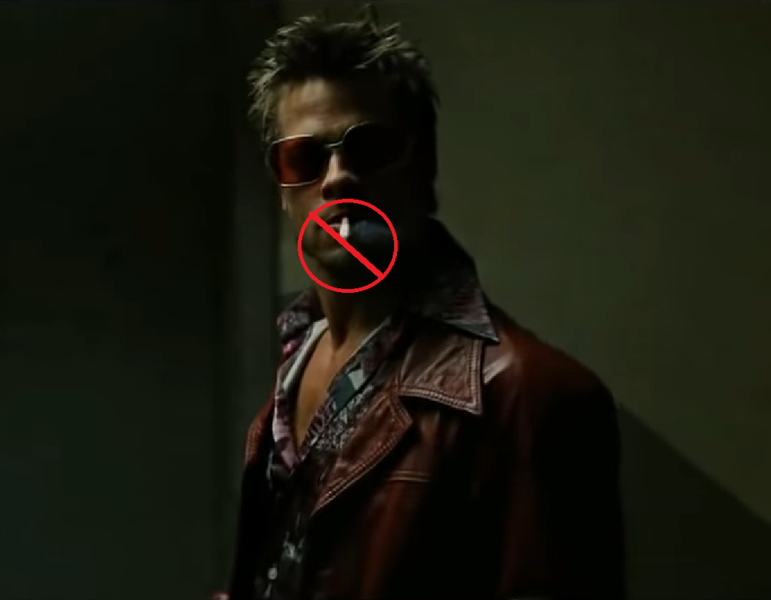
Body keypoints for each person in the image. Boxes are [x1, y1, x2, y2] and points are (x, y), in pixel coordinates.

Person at [226, 11, 624, 600]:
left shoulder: (529, 396)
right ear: (283, 189)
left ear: (425, 164)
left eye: (369, 148)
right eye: (303, 159)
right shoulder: (297, 354)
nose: (337, 178)